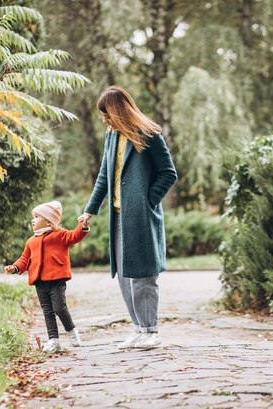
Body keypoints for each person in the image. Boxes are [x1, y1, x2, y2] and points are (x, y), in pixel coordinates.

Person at [78, 85, 178, 350]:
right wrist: (90, 210)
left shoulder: (150, 134)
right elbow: (103, 176)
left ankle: (151, 330)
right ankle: (138, 328)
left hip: (141, 218)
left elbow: (169, 173)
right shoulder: (111, 136)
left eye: (107, 114)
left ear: (118, 111)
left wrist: (148, 200)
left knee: (144, 275)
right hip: (118, 217)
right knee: (124, 275)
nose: (104, 120)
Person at [5, 200, 90, 353]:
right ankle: (53, 340)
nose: (33, 220)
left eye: (36, 217)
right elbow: (24, 259)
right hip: (39, 282)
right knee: (47, 311)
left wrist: (82, 226)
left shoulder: (60, 235)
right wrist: (15, 267)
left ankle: (71, 331)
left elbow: (74, 236)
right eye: (33, 217)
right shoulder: (31, 241)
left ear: (49, 222)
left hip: (56, 280)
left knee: (59, 308)